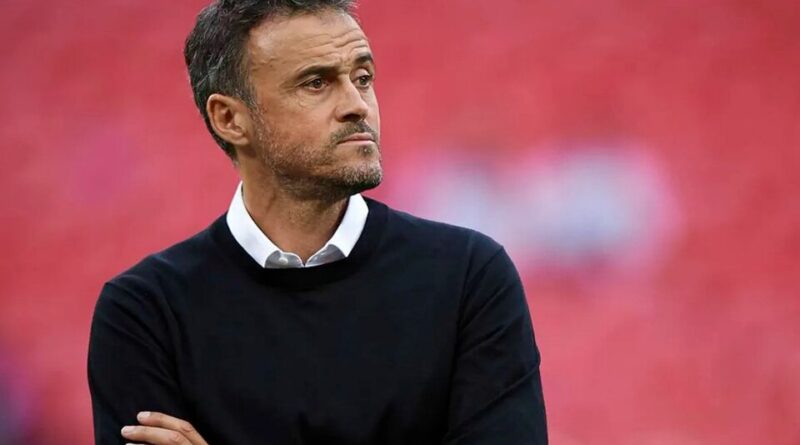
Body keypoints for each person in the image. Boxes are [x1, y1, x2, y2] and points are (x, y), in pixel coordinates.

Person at [87, 1, 548, 444]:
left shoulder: (468, 277)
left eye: (362, 78)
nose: (357, 105)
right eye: (315, 83)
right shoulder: (146, 312)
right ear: (229, 118)